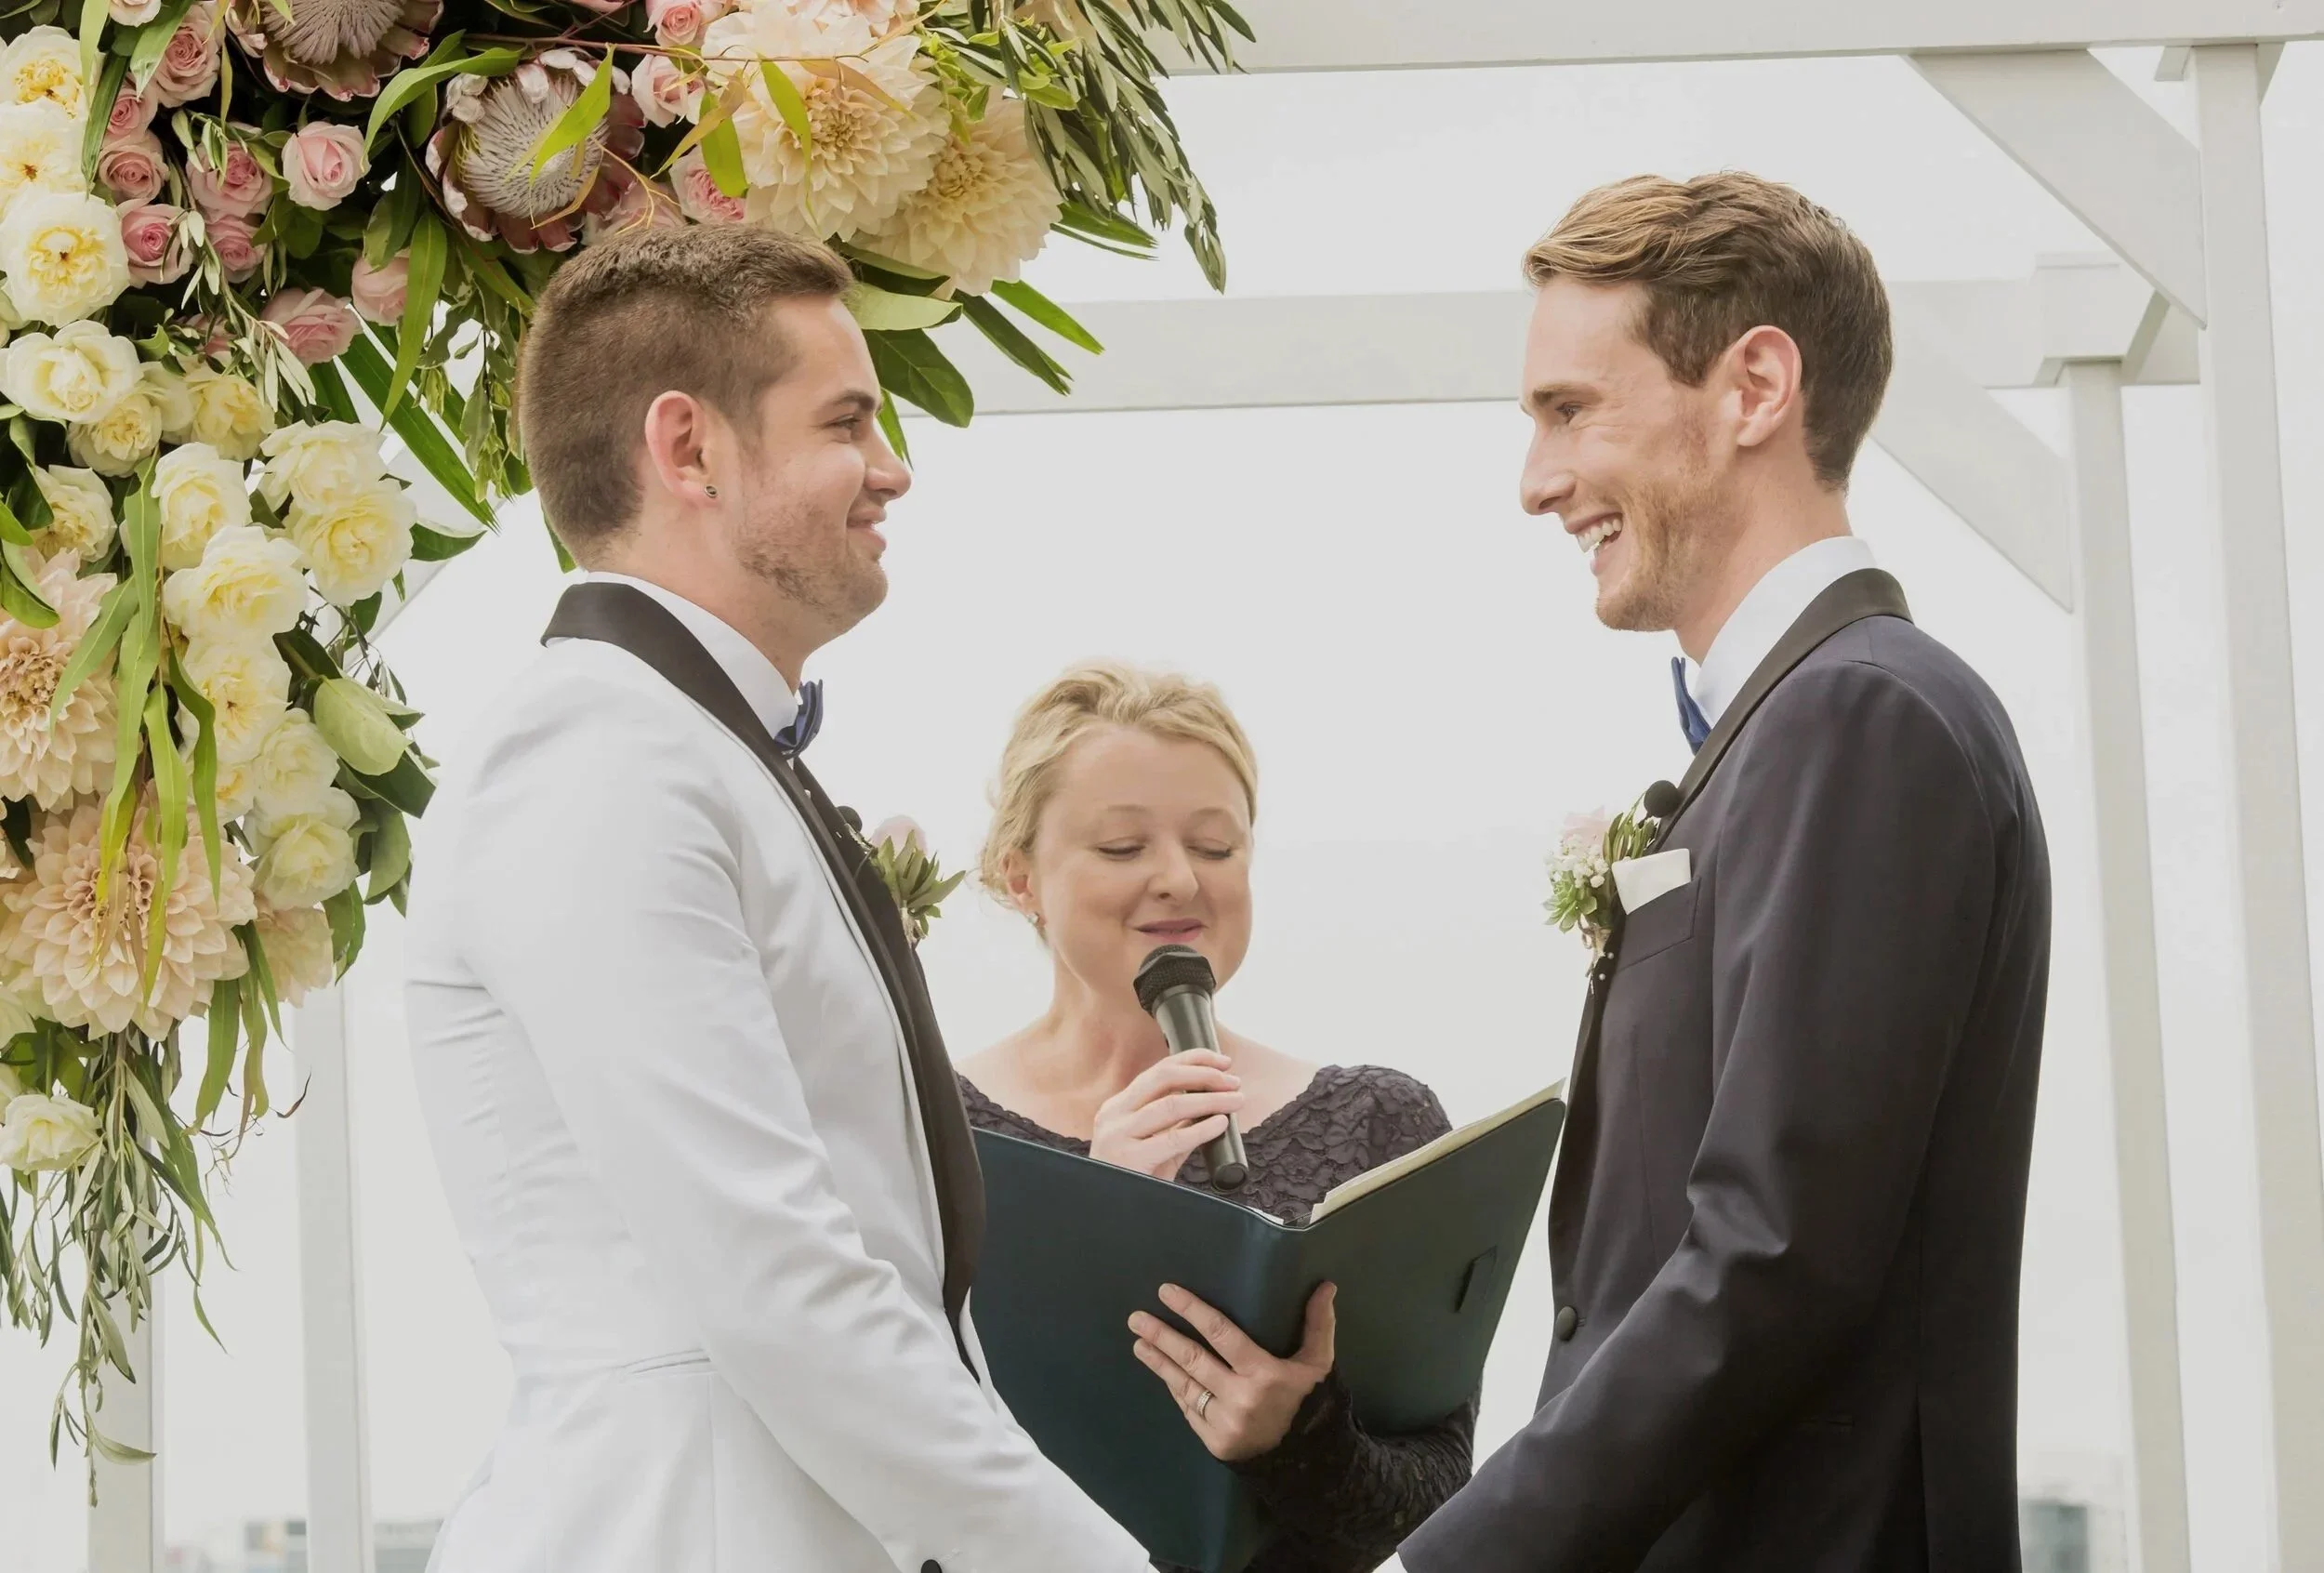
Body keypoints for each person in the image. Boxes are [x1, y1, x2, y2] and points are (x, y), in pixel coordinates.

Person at [403, 227, 1152, 1573]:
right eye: (847, 422)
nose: (892, 470)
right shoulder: (599, 759)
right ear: (687, 450)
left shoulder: (696, 751)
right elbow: (774, 1278)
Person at [1401, 174, 2053, 1573]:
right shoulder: (1792, 729)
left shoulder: (1862, 715)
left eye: (1571, 410)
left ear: (1754, 385)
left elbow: (1771, 1255)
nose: (1537, 482)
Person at [956, 661, 1474, 1573]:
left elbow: (1434, 1492)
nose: (1176, 882)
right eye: (1121, 849)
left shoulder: (1376, 1122)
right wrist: (1095, 1224)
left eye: (1215, 847)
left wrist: (1294, 1433)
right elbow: (903, 1451)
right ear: (1019, 877)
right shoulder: (933, 1129)